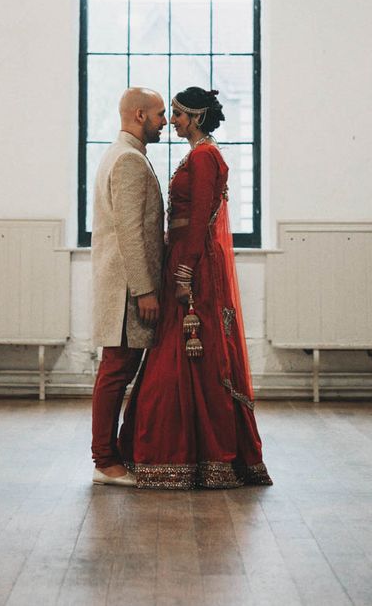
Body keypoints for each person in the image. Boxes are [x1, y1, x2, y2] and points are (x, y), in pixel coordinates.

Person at [118, 87, 272, 490]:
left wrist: (185, 271)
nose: (173, 121)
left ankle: (190, 456)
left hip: (194, 266)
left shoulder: (205, 157)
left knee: (189, 351)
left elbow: (202, 218)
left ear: (197, 117)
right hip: (185, 259)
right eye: (169, 113)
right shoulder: (200, 155)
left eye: (179, 114)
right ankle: (185, 456)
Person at [90, 87, 166, 486]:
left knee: (118, 369)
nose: (164, 122)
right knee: (116, 371)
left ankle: (111, 454)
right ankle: (105, 462)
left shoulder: (121, 154)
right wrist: (144, 290)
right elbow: (130, 234)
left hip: (124, 286)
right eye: (159, 114)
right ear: (139, 115)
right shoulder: (129, 161)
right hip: (125, 289)